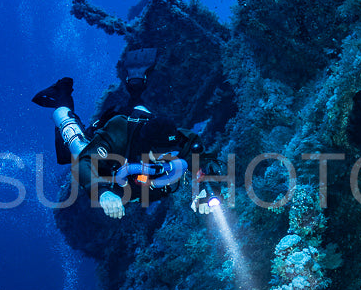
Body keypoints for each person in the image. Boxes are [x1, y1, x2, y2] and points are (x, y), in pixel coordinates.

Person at [32, 48, 222, 220]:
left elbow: (206, 162)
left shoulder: (181, 140)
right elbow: (84, 163)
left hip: (143, 121)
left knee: (139, 109)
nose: (164, 160)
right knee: (74, 151)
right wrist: (102, 192)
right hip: (115, 138)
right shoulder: (118, 134)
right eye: (158, 155)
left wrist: (207, 190)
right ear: (145, 147)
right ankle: (61, 96)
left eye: (169, 153)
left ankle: (136, 84)